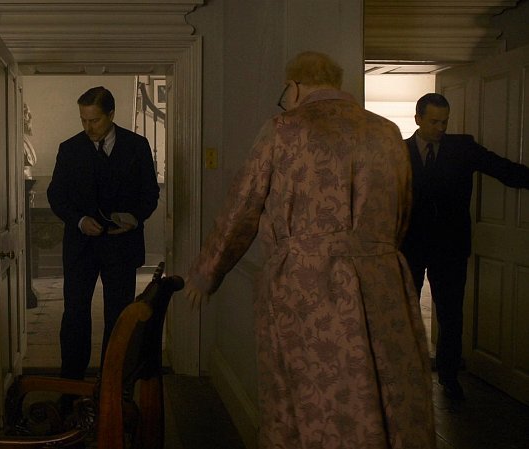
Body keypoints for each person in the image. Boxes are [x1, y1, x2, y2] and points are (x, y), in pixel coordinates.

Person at [185, 52, 435, 448]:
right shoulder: (387, 131)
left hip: (306, 283)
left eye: (285, 92)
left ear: (295, 86)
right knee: (384, 381)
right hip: (382, 277)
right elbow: (403, 209)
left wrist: (206, 273)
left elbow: (242, 208)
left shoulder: (284, 129)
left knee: (311, 391)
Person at [400, 92, 529, 401]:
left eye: (445, 122)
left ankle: (449, 377)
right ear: (417, 119)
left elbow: (504, 170)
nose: (441, 128)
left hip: (450, 247)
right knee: (404, 314)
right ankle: (406, 376)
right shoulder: (398, 151)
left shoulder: (462, 148)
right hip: (409, 247)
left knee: (450, 315)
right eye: (434, 122)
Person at [47, 86, 159, 381]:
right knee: (75, 316)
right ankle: (71, 385)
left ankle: (113, 385)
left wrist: (135, 217)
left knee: (119, 318)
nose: (88, 127)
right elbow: (56, 196)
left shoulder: (137, 146)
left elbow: (150, 193)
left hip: (122, 247)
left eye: (94, 120)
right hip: (80, 247)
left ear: (111, 114)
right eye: (83, 120)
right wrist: (80, 220)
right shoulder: (69, 148)